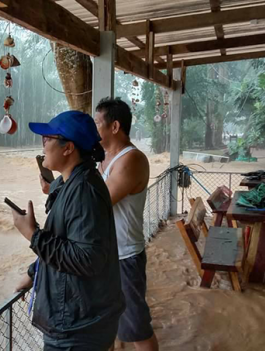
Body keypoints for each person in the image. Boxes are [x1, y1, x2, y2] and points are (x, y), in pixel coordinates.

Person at [11, 110, 125, 351]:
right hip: (78, 318)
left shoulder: (84, 190)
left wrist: (32, 234)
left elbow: (87, 258)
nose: (43, 143)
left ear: (68, 148)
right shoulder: (73, 182)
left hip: (77, 328)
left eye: (48, 138)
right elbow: (65, 237)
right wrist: (34, 275)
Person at [95, 97, 159, 351]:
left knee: (136, 328)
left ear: (114, 126)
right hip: (104, 255)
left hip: (125, 257)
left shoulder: (131, 159)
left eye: (97, 123)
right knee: (106, 324)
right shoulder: (102, 158)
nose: (93, 129)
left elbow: (99, 202)